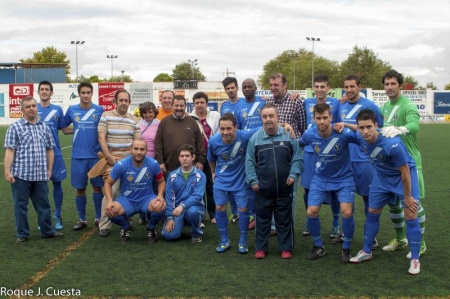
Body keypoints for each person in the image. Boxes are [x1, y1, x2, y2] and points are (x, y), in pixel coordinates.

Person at [349, 109, 422, 275]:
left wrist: (408, 197)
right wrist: (345, 124)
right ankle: (366, 251)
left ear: (377, 125)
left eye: (369, 127)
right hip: (381, 178)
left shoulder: (391, 144)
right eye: (362, 127)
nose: (365, 131)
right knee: (372, 211)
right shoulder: (360, 135)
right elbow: (354, 130)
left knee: (410, 214)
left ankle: (415, 258)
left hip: (402, 176)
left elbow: (405, 172)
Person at [298, 103, 356, 263]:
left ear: (331, 117)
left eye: (325, 118)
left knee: (347, 212)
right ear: (314, 119)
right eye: (319, 118)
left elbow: (364, 135)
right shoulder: (310, 134)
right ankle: (318, 246)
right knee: (311, 212)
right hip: (321, 178)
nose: (322, 121)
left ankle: (346, 248)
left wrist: (347, 124)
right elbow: (298, 144)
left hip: (344, 178)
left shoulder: (342, 133)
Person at [379, 70, 426, 259]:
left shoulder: (408, 105)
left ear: (400, 85)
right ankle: (400, 239)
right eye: (386, 84)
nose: (389, 87)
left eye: (393, 84)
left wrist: (401, 129)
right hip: (391, 163)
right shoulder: (385, 107)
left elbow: (416, 125)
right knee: (394, 204)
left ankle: (420, 244)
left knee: (413, 204)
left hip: (410, 162)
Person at [245, 104, 303, 259]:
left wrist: (293, 174)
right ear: (261, 119)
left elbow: (297, 157)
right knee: (262, 220)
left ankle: (286, 248)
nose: (268, 119)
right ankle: (261, 248)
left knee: (284, 220)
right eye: (265, 117)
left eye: (271, 116)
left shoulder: (288, 136)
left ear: (278, 117)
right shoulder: (255, 139)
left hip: (285, 188)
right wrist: (253, 181)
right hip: (262, 189)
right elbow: (249, 161)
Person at [4, 96, 63, 242]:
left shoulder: (44, 127)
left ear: (36, 107)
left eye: (33, 106)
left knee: (44, 205)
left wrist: (49, 170)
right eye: (28, 107)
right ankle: (22, 234)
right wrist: (7, 171)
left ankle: (47, 231)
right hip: (20, 175)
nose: (31, 109)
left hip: (40, 175)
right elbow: (10, 151)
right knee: (20, 206)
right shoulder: (15, 127)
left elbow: (50, 150)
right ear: (22, 110)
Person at [335, 74, 383, 248]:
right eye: (346, 87)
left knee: (367, 198)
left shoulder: (370, 106)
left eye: (352, 87)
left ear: (359, 87)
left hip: (365, 160)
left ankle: (372, 236)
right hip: (345, 160)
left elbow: (380, 129)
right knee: (345, 197)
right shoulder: (341, 106)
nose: (348, 90)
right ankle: (345, 232)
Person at [208, 113, 258, 254]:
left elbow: (264, 127)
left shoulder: (245, 136)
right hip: (221, 181)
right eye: (222, 129)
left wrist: (285, 125)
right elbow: (211, 158)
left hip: (240, 181)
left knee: (243, 210)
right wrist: (212, 172)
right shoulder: (213, 141)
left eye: (229, 128)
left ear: (236, 127)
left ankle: (243, 241)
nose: (225, 132)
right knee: (220, 207)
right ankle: (224, 240)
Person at [265, 73, 306, 233]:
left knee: (290, 192)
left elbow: (302, 129)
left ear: (285, 85)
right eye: (271, 85)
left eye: (276, 84)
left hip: (289, 154)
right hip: (269, 152)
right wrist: (283, 124)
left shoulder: (295, 101)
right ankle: (274, 225)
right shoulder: (268, 102)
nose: (273, 88)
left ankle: (287, 225)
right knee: (273, 189)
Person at [302, 74, 342, 238]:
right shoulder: (306, 102)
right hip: (310, 152)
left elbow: (338, 126)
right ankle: (310, 220)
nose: (319, 90)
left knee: (333, 190)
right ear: (313, 89)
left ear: (328, 88)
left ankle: (335, 223)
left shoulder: (336, 104)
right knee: (307, 189)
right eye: (316, 87)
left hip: (329, 152)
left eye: (322, 87)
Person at [96, 89, 141, 237]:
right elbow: (101, 137)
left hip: (129, 158)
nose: (123, 103)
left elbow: (137, 142)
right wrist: (109, 157)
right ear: (115, 102)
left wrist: (133, 159)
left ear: (129, 102)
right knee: (112, 191)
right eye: (120, 100)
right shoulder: (106, 116)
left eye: (126, 101)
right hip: (111, 158)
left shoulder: (134, 120)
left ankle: (126, 220)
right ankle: (104, 224)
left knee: (129, 191)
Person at [104, 139, 166, 243]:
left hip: (146, 198)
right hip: (127, 200)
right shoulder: (121, 165)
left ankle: (151, 228)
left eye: (142, 149)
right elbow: (107, 183)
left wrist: (160, 195)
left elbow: (161, 182)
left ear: (146, 151)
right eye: (136, 148)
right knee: (111, 211)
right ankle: (126, 226)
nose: (138, 152)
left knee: (160, 206)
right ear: (131, 149)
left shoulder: (153, 163)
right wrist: (109, 200)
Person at [63, 82, 105, 231]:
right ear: (79, 94)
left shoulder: (100, 110)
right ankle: (82, 219)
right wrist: (76, 131)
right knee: (80, 189)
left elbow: (105, 129)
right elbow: (63, 126)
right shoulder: (72, 110)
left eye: (88, 92)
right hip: (78, 157)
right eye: (83, 93)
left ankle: (98, 218)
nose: (85, 95)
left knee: (98, 188)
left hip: (96, 157)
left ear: (92, 94)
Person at [37, 80, 72, 229]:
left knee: (57, 184)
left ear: (51, 93)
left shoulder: (57, 109)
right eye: (42, 89)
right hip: (37, 155)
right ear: (38, 92)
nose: (44, 91)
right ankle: (43, 218)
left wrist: (85, 128)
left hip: (55, 153)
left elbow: (64, 129)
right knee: (40, 187)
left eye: (47, 89)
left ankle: (57, 215)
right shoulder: (33, 108)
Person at [235, 78, 266, 230]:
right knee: (249, 182)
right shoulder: (239, 106)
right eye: (244, 87)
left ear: (255, 88)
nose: (247, 89)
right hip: (246, 150)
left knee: (263, 180)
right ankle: (252, 215)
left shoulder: (263, 102)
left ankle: (264, 215)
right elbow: (238, 130)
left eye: (250, 86)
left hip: (263, 147)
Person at [162, 144, 206, 242]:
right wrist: (169, 217)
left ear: (193, 157)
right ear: (179, 158)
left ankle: (196, 234)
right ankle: (182, 222)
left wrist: (182, 206)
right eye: (182, 156)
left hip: (195, 208)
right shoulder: (172, 176)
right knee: (168, 236)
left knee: (192, 212)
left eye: (187, 156)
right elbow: (169, 198)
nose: (184, 159)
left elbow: (197, 197)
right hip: (177, 211)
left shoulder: (201, 175)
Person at [154, 95, 206, 175]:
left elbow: (199, 143)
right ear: (172, 106)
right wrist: (160, 162)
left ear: (185, 106)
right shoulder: (164, 122)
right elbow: (158, 144)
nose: (179, 108)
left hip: (191, 169)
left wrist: (200, 161)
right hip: (169, 169)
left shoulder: (192, 122)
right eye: (176, 105)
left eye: (181, 105)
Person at [190, 92, 220, 224]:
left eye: (202, 102)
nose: (199, 105)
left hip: (212, 157)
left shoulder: (215, 116)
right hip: (197, 158)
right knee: (198, 187)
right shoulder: (189, 118)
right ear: (194, 104)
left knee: (211, 185)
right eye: (197, 103)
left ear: (206, 103)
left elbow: (219, 135)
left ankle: (213, 214)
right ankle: (200, 214)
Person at [219, 77, 241, 225]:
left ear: (237, 87)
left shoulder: (244, 103)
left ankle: (248, 212)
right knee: (229, 182)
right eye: (228, 88)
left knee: (242, 181)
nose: (230, 90)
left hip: (242, 146)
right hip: (228, 147)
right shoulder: (224, 105)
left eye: (232, 87)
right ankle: (235, 212)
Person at [137, 101, 162, 227]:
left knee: (154, 187)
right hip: (140, 160)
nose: (148, 115)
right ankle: (142, 214)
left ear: (154, 113)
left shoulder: (159, 124)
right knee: (142, 187)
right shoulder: (138, 124)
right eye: (145, 112)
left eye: (150, 112)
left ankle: (154, 213)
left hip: (154, 160)